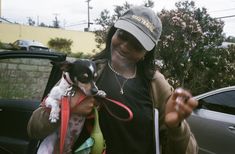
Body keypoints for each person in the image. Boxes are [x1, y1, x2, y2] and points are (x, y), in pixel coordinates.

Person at [27, 6, 198, 154]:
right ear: (113, 33)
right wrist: (68, 107)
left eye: (137, 44)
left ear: (146, 53)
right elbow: (33, 128)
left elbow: (190, 151)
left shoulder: (156, 84)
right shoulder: (86, 72)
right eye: (123, 35)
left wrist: (176, 127)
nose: (125, 46)